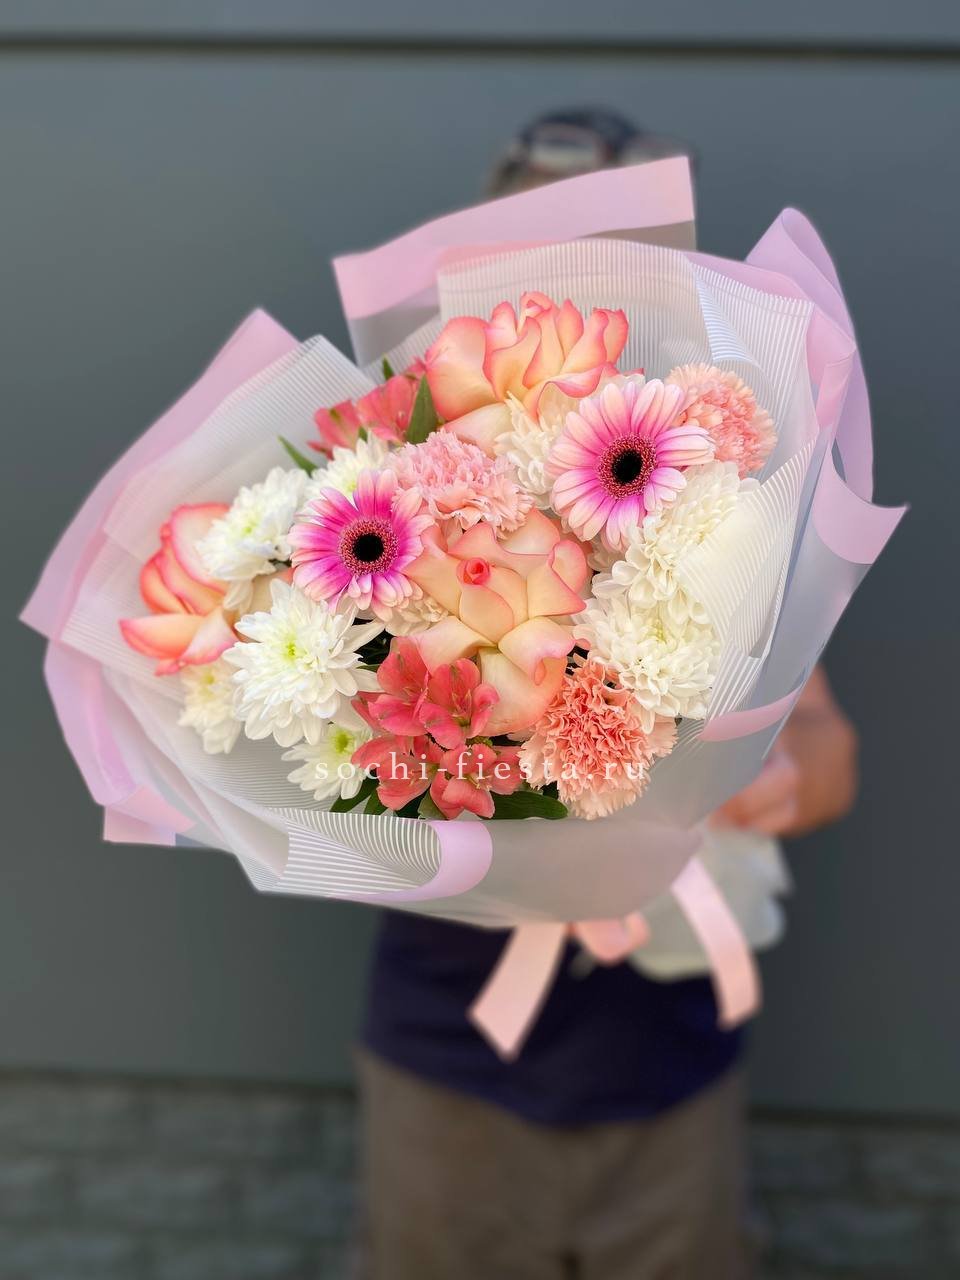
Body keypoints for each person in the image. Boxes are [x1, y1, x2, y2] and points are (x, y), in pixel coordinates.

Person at [355, 110, 859, 1280]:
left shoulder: (725, 494)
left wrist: (774, 776)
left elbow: (828, 743)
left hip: (666, 1065)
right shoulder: (396, 484)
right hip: (450, 1062)